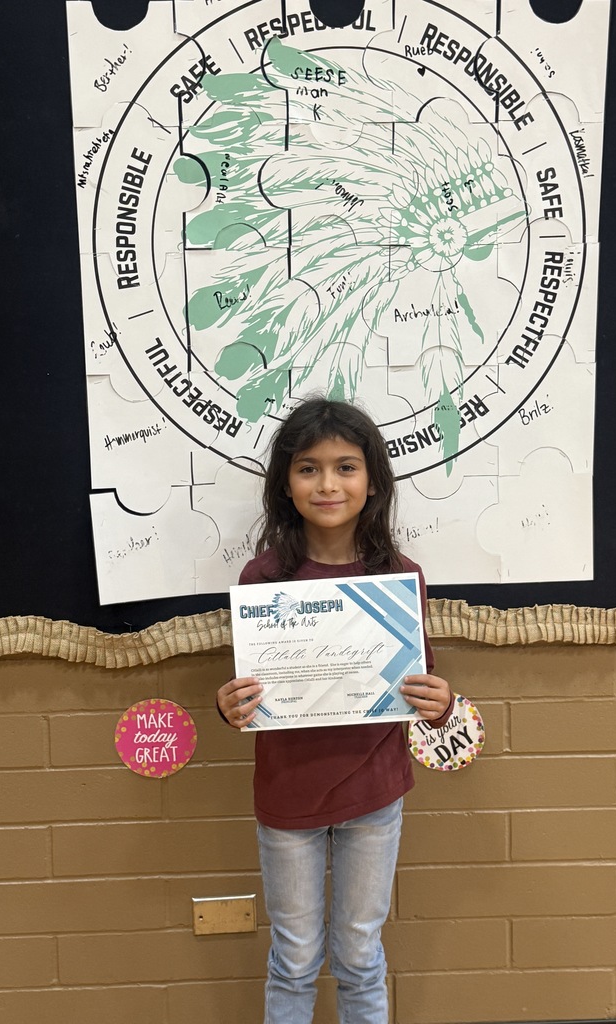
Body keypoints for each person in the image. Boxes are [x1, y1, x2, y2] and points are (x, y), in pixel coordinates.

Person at [216, 397, 454, 1024]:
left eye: (346, 466)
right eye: (308, 468)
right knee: (293, 959)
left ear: (372, 480)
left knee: (359, 956)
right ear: (285, 484)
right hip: (289, 795)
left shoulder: (400, 577)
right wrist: (229, 706)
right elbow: (247, 691)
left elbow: (420, 688)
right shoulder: (262, 579)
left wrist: (440, 701)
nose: (327, 483)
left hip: (375, 796)